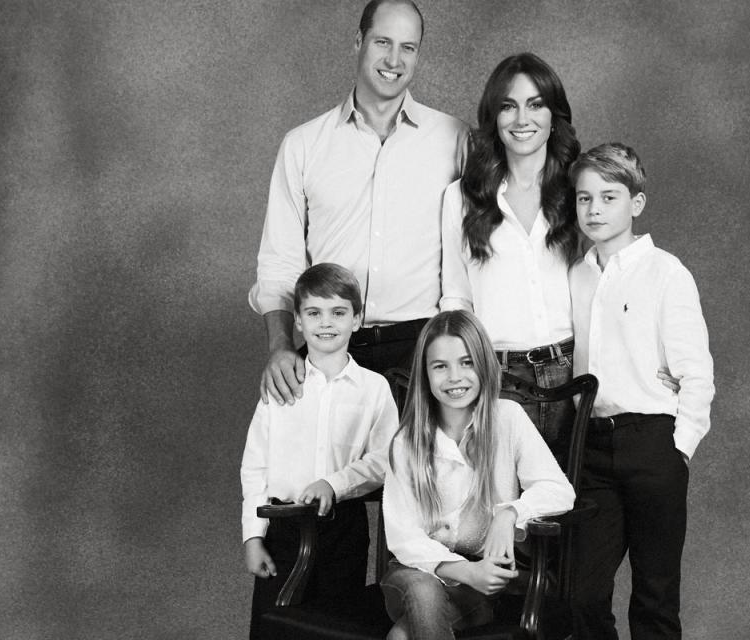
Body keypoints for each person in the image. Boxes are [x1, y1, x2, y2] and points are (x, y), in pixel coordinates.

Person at [441, 53, 677, 449]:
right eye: (508, 106)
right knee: (504, 505)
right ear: (493, 117)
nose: (522, 119)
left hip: (574, 374)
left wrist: (655, 354)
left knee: (574, 502)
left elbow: (617, 274)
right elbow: (456, 296)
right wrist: (461, 373)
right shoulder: (462, 197)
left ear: (554, 117)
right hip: (496, 377)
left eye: (535, 105)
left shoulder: (578, 192)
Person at [250, 0, 468, 405]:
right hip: (331, 346)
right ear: (358, 41)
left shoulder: (454, 140)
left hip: (421, 350)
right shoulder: (303, 145)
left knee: (419, 470)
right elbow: (280, 262)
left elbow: (479, 250)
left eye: (408, 47)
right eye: (382, 42)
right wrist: (281, 346)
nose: (394, 59)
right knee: (321, 470)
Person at [566, 144, 715, 639]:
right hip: (591, 446)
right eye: (584, 199)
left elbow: (696, 372)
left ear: (636, 203)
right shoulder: (576, 276)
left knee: (654, 597)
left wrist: (680, 449)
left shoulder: (666, 273)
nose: (594, 210)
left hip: (652, 442)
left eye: (609, 197)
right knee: (581, 594)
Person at [380, 310, 576, 639]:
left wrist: (510, 513)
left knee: (402, 637)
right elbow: (404, 537)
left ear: (483, 365)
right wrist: (466, 572)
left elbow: (558, 490)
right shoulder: (407, 441)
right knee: (423, 589)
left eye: (466, 362)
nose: (454, 376)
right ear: (425, 374)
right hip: (412, 574)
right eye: (440, 366)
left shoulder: (507, 418)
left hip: (481, 585)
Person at [240, 263, 399, 639]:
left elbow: (385, 460)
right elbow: (255, 465)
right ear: (297, 320)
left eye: (338, 312)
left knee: (334, 629)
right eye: (314, 313)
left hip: (342, 528)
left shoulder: (373, 388)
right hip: (282, 527)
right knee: (276, 630)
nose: (325, 323)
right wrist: (252, 536)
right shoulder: (281, 384)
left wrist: (335, 483)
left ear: (357, 319)